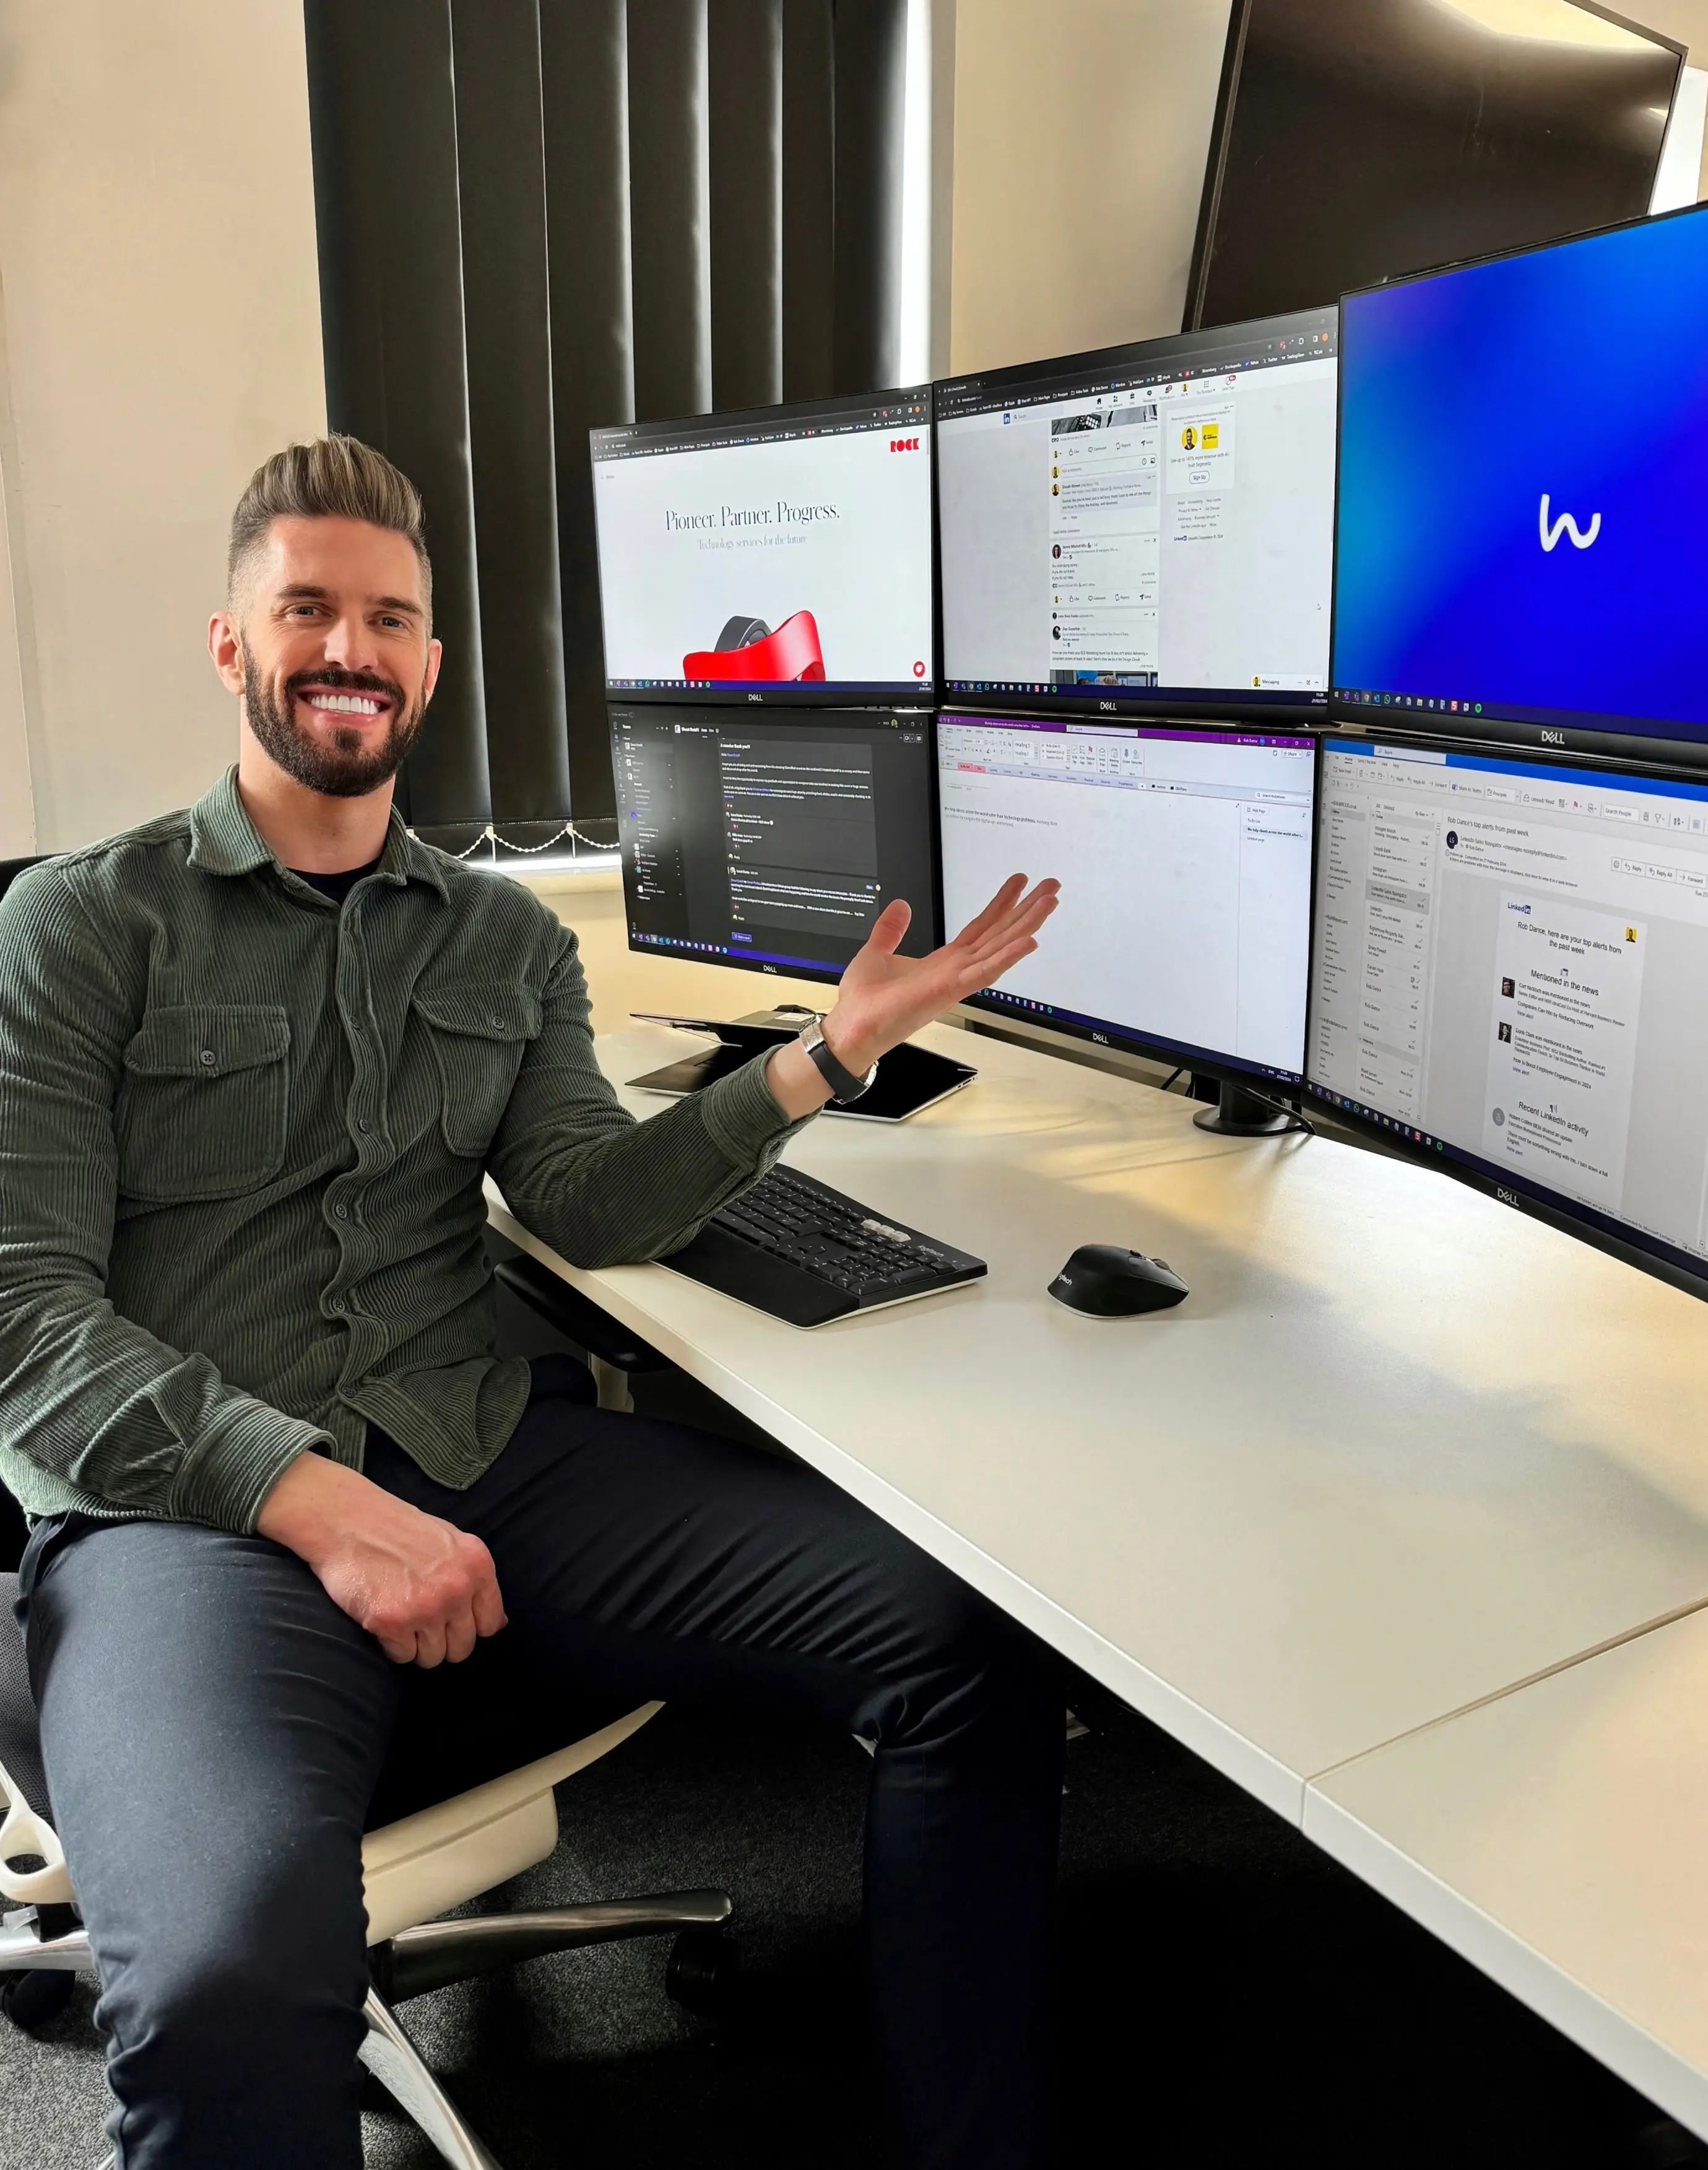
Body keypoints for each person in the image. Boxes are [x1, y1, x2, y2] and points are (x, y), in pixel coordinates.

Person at [0, 436, 1064, 2169]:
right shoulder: (79, 926)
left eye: (389, 620)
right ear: (231, 646)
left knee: (961, 1643)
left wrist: (823, 1058)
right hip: (184, 1517)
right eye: (307, 610)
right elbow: (18, 1315)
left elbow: (586, 1197)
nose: (348, 649)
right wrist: (319, 1504)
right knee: (217, 1981)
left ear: (427, 664)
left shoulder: (498, 942)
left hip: (479, 1448)